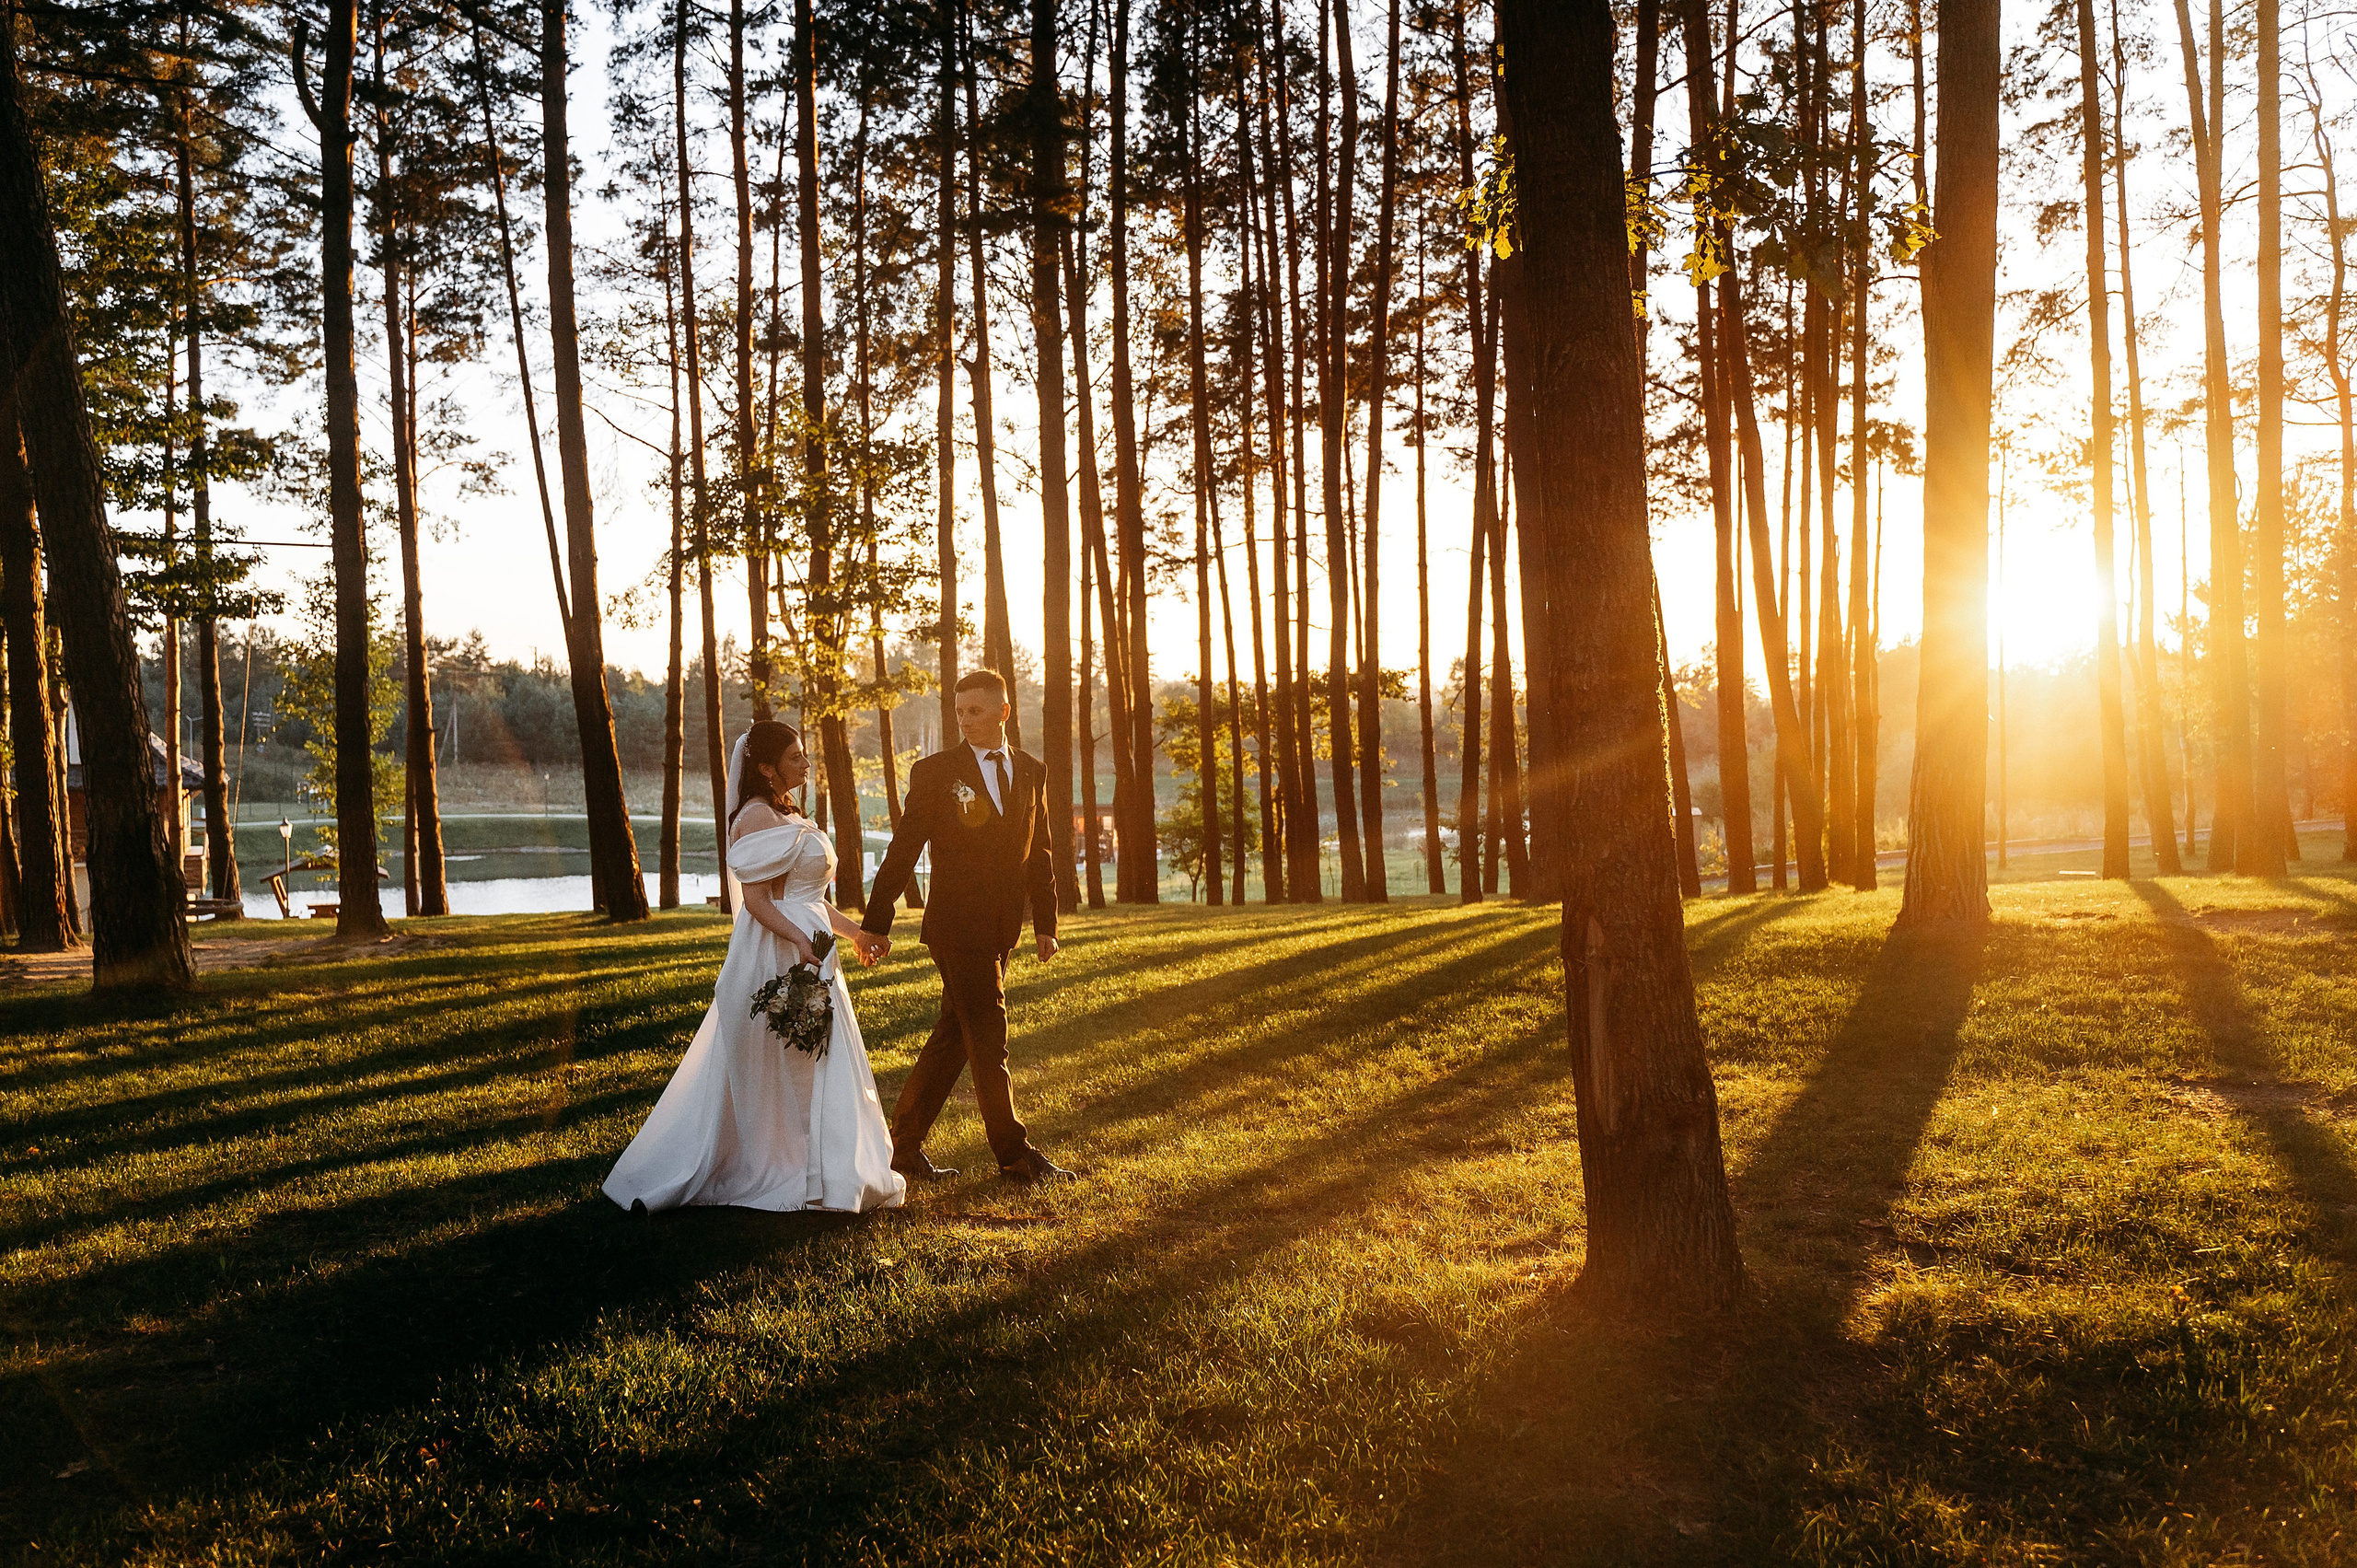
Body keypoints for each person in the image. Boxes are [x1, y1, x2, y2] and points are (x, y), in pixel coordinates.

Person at [602, 721, 905, 1214]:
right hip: (778, 949)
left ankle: (826, 1169)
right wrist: (801, 942)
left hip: (813, 945)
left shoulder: (787, 811)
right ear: (765, 769)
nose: (806, 764)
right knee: (785, 1054)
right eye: (794, 757)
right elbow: (757, 902)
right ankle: (783, 1167)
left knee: (819, 1055)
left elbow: (811, 898)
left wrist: (857, 935)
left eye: (804, 755)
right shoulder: (755, 817)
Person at [863, 668, 1075, 1182]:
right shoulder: (936, 773)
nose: (965, 720)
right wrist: (876, 920)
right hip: (955, 927)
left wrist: (1044, 921)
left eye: (976, 711)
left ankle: (903, 1147)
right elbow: (904, 847)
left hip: (1003, 927)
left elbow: (1039, 851)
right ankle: (1013, 1154)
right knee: (988, 1032)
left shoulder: (1031, 770)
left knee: (954, 1037)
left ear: (1004, 712)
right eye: (959, 712)